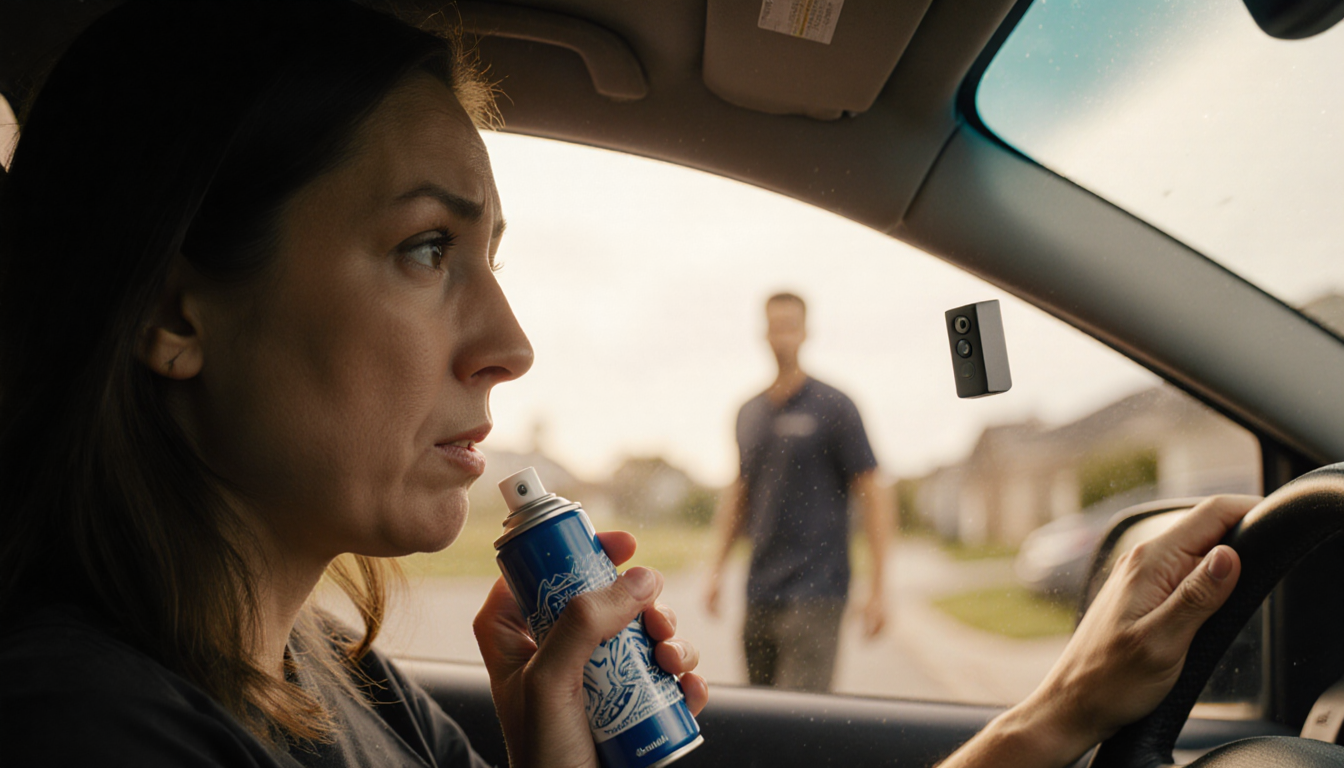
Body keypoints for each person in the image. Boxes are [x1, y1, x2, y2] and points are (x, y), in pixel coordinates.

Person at [0, 1, 1253, 767]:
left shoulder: (334, 672)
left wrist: (1062, 709)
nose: (510, 341)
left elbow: (872, 491)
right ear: (175, 309)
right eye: (427, 248)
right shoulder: (79, 728)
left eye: (491, 256)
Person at [704, 292, 889, 692]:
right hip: (759, 590)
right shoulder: (748, 412)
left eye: (790, 326)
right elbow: (739, 496)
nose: (782, 337)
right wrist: (716, 570)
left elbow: (875, 496)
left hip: (818, 592)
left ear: (806, 332)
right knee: (762, 717)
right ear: (763, 333)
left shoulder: (835, 406)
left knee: (802, 725)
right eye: (774, 327)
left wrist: (878, 590)